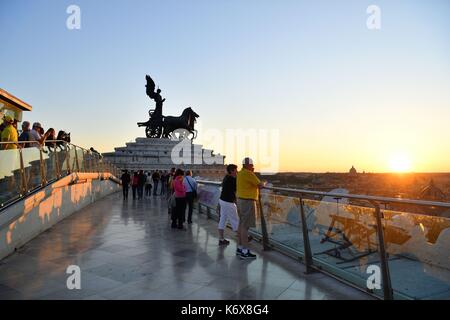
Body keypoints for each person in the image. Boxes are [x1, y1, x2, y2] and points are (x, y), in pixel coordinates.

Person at [236, 157, 266, 259]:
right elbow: (260, 185)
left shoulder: (240, 173)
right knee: (245, 227)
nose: (253, 167)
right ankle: (245, 251)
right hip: (247, 201)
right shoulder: (249, 174)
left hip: (240, 200)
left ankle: (240, 248)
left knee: (241, 225)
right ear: (249, 165)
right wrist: (263, 183)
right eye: (252, 165)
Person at [218, 164, 240, 246]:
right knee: (235, 220)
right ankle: (243, 237)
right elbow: (237, 189)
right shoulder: (232, 179)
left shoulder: (226, 177)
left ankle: (221, 239)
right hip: (228, 202)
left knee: (223, 219)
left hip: (222, 200)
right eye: (236, 170)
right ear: (232, 171)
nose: (237, 171)